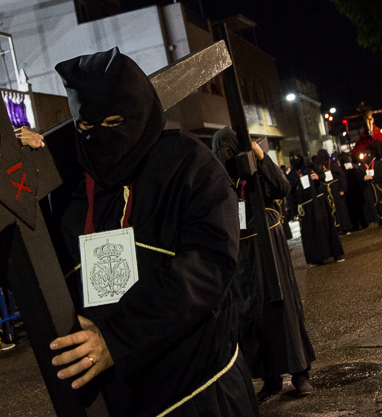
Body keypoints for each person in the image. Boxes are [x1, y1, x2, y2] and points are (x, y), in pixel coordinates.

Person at [48, 48, 257, 416]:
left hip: (198, 395)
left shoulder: (191, 166)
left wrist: (116, 338)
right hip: (119, 401)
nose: (100, 137)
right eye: (86, 128)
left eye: (113, 123)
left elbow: (208, 267)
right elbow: (27, 263)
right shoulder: (72, 183)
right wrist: (32, 172)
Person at [212, 127, 316, 400]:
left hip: (268, 246)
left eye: (228, 148)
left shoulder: (255, 171)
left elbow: (282, 187)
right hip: (241, 252)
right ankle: (270, 377)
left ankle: (299, 372)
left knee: (281, 308)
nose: (224, 153)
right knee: (251, 315)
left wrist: (260, 156)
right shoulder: (221, 179)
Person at [288, 150, 347, 265]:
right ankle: (317, 258)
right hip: (306, 209)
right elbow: (291, 195)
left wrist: (317, 177)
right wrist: (293, 211)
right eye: (292, 157)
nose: (295, 159)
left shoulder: (310, 167)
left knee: (327, 227)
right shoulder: (291, 175)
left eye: (296, 156)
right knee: (311, 233)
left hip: (319, 203)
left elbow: (325, 175)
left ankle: (336, 254)